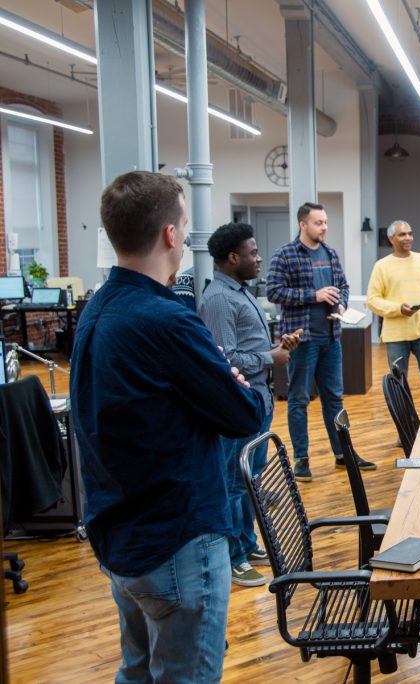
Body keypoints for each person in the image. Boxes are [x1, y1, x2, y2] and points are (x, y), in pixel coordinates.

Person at [71, 171, 266, 682]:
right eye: (183, 223)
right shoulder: (167, 320)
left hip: (121, 535)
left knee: (137, 671)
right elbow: (243, 415)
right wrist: (236, 384)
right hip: (177, 540)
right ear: (171, 236)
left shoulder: (97, 309)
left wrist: (217, 383)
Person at [198, 223, 301, 587]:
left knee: (250, 480)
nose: (260, 259)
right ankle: (233, 556)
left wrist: (278, 346)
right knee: (234, 484)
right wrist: (270, 358)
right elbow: (226, 361)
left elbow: (247, 346)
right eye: (254, 253)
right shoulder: (220, 299)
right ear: (232, 257)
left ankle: (246, 541)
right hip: (240, 400)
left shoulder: (239, 291)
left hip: (258, 398)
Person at [267, 202, 372, 479]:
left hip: (331, 338)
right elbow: (274, 292)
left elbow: (344, 287)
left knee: (334, 399)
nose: (324, 227)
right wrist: (313, 295)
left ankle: (343, 454)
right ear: (303, 224)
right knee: (299, 400)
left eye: (325, 222)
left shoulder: (331, 253)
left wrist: (341, 305)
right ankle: (301, 460)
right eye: (318, 223)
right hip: (302, 340)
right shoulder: (285, 255)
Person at [366, 220, 420, 406]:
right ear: (391, 238)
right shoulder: (382, 266)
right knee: (399, 384)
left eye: (410, 233)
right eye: (402, 234)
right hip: (395, 337)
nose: (408, 237)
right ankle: (405, 433)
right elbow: (372, 300)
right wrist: (398, 308)